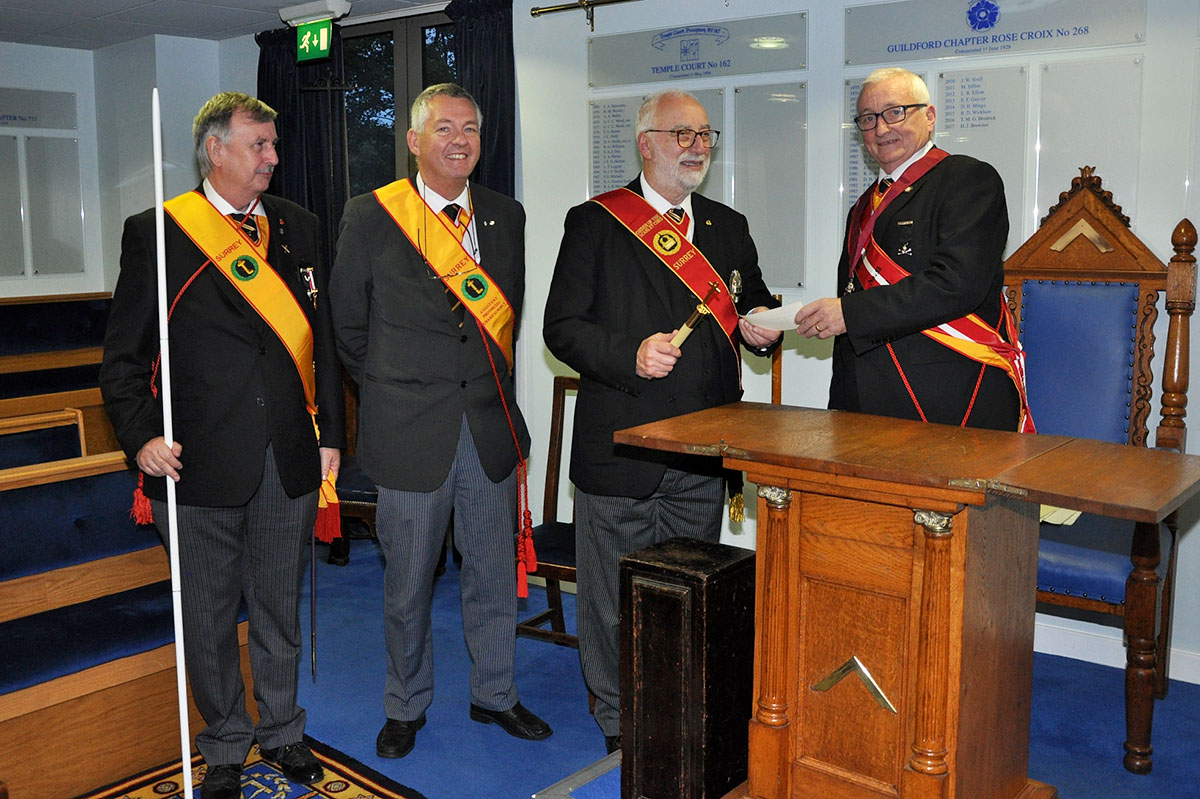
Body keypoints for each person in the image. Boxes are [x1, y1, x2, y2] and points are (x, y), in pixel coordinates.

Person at [100, 92, 344, 799]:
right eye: (258, 145)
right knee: (207, 615)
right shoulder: (160, 231)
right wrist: (141, 437)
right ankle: (227, 746)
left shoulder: (299, 226)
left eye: (272, 145)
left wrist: (331, 434)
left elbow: (321, 344)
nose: (272, 157)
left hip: (290, 456)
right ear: (216, 149)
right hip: (197, 461)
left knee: (277, 605)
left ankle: (284, 730)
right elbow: (121, 360)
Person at [543, 89, 781, 753]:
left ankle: (675, 700)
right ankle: (621, 717)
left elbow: (751, 306)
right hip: (621, 448)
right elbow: (560, 326)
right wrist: (628, 353)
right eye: (682, 134)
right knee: (614, 597)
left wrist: (767, 330)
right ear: (646, 143)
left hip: (703, 450)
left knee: (687, 591)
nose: (697, 146)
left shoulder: (728, 226)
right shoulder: (594, 222)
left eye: (705, 134)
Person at [329, 83, 551, 759]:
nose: (461, 140)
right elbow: (349, 329)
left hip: (486, 429)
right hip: (408, 431)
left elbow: (504, 320)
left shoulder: (505, 216)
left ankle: (497, 694)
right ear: (416, 140)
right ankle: (405, 704)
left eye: (472, 129)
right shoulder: (370, 216)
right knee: (407, 584)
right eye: (446, 128)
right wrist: (400, 388)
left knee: (490, 574)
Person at [795, 67, 1032, 432]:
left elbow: (958, 283)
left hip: (945, 400)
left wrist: (850, 314)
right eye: (868, 119)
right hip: (862, 402)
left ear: (930, 116)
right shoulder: (862, 206)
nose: (881, 129)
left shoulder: (967, 179)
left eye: (895, 112)